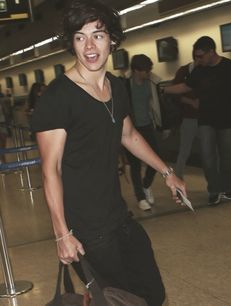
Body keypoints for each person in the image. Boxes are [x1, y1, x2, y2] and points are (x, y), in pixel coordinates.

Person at [31, 1, 186, 305]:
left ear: (112, 40)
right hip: (86, 226)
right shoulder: (58, 97)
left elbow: (128, 134)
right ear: (72, 43)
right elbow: (51, 169)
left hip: (117, 214)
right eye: (80, 37)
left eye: (98, 35)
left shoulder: (116, 86)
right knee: (121, 297)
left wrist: (168, 173)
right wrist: (62, 234)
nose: (89, 45)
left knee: (152, 293)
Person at [164, 36, 231, 205]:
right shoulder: (199, 70)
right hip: (205, 120)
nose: (198, 59)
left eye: (201, 56)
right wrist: (166, 90)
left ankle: (226, 189)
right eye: (196, 56)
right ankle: (214, 190)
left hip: (228, 121)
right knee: (208, 157)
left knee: (228, 157)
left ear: (212, 52)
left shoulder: (230, 67)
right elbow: (186, 86)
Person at [123, 54, 162, 211]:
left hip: (147, 126)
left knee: (156, 158)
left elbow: (157, 105)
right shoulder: (125, 85)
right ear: (136, 71)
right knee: (135, 164)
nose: (148, 73)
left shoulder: (151, 83)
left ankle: (146, 185)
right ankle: (140, 197)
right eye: (146, 70)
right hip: (131, 129)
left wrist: (161, 124)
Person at [172, 57, 199, 179]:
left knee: (211, 152)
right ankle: (178, 179)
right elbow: (174, 95)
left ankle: (216, 186)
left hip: (207, 119)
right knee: (184, 151)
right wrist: (191, 102)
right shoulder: (183, 72)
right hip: (189, 118)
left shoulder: (207, 71)